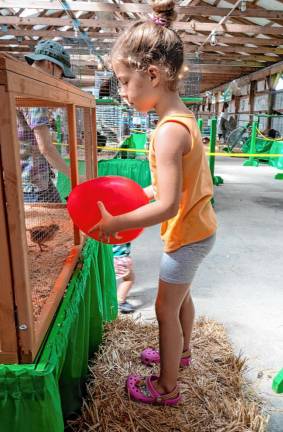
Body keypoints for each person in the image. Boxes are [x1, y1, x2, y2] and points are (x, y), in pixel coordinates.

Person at [89, 0, 217, 406]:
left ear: (154, 74)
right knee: (181, 299)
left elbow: (164, 205)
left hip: (187, 235)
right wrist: (135, 195)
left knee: (165, 310)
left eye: (125, 82)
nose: (123, 93)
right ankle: (180, 354)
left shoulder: (167, 133)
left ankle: (167, 387)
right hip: (199, 227)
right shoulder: (182, 120)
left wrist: (115, 223)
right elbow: (171, 188)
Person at [17, 40, 75, 202]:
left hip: (29, 177)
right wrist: (75, 176)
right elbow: (46, 148)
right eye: (60, 74)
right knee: (49, 225)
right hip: (33, 182)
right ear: (50, 65)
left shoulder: (19, 84)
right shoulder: (34, 91)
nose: (60, 79)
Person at [113, 242, 136, 313]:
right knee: (129, 279)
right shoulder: (123, 231)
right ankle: (120, 300)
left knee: (106, 280)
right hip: (120, 259)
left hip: (106, 258)